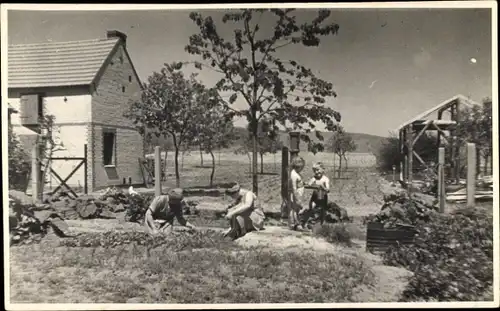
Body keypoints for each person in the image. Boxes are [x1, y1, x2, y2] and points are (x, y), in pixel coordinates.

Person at [303, 162, 330, 226]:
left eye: (318, 170)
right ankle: (308, 222)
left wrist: (323, 187)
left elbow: (328, 190)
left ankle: (323, 224)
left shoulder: (325, 179)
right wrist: (306, 184)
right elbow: (309, 184)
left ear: (323, 169)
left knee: (323, 210)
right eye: (314, 171)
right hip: (315, 196)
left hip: (323, 196)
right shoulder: (314, 178)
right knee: (311, 207)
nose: (316, 172)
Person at [289, 156, 306, 231]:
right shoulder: (294, 175)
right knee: (296, 210)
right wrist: (297, 198)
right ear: (297, 166)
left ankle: (294, 224)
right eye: (301, 168)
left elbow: (299, 182)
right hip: (296, 194)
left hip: (299, 194)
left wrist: (304, 184)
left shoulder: (296, 173)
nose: (302, 169)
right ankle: (296, 224)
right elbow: (294, 188)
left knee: (296, 209)